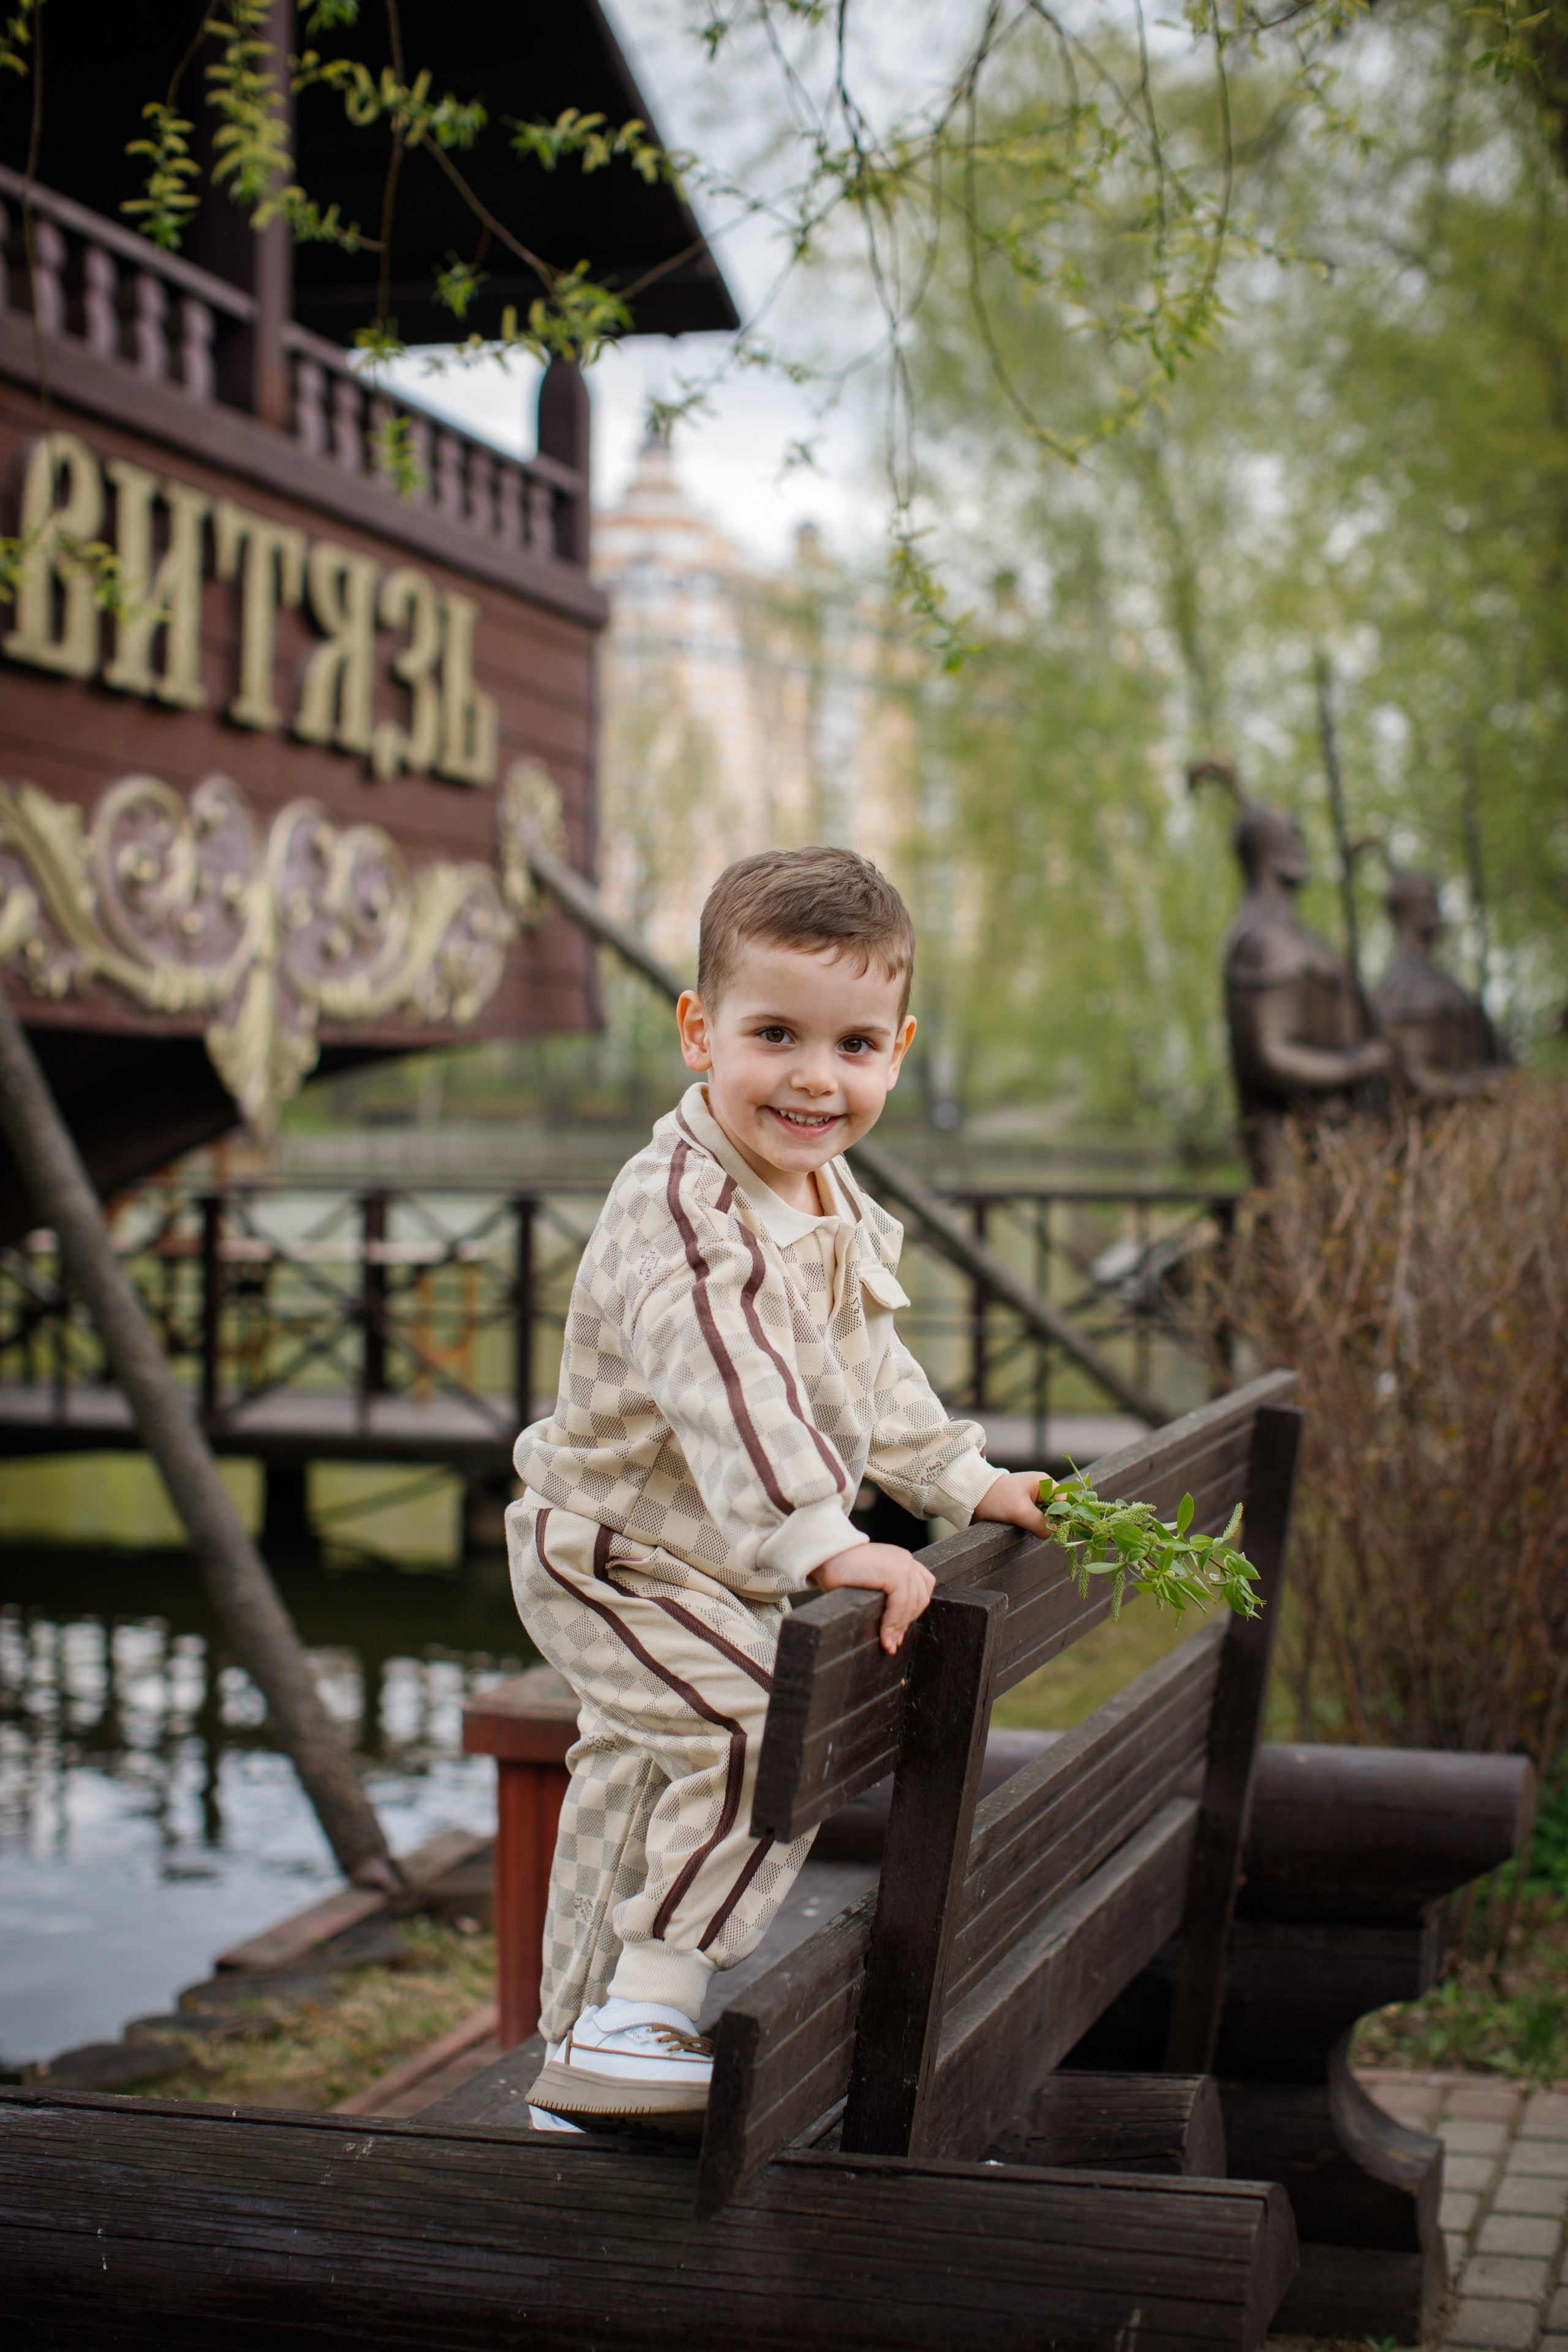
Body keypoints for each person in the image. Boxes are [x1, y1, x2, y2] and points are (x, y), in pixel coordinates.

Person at [509, 846, 1052, 2130]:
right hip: (613, 1547)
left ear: (898, 1050)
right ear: (699, 1033)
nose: (816, 1078)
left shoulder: (821, 1192)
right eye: (774, 1035)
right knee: (764, 1724)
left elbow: (865, 1363)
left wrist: (960, 1477)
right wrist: (823, 1536)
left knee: (637, 1773)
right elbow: (731, 1381)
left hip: (698, 1549)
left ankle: (576, 2045)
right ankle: (645, 2008)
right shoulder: (683, 1216)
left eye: (854, 1045)